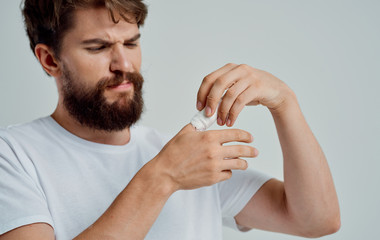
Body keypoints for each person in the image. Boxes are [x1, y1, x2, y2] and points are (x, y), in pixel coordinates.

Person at [0, 0, 340, 239]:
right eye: (97, 48)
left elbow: (317, 220)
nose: (124, 64)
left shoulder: (186, 157)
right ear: (49, 60)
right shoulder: (14, 155)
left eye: (131, 42)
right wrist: (163, 176)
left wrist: (286, 104)